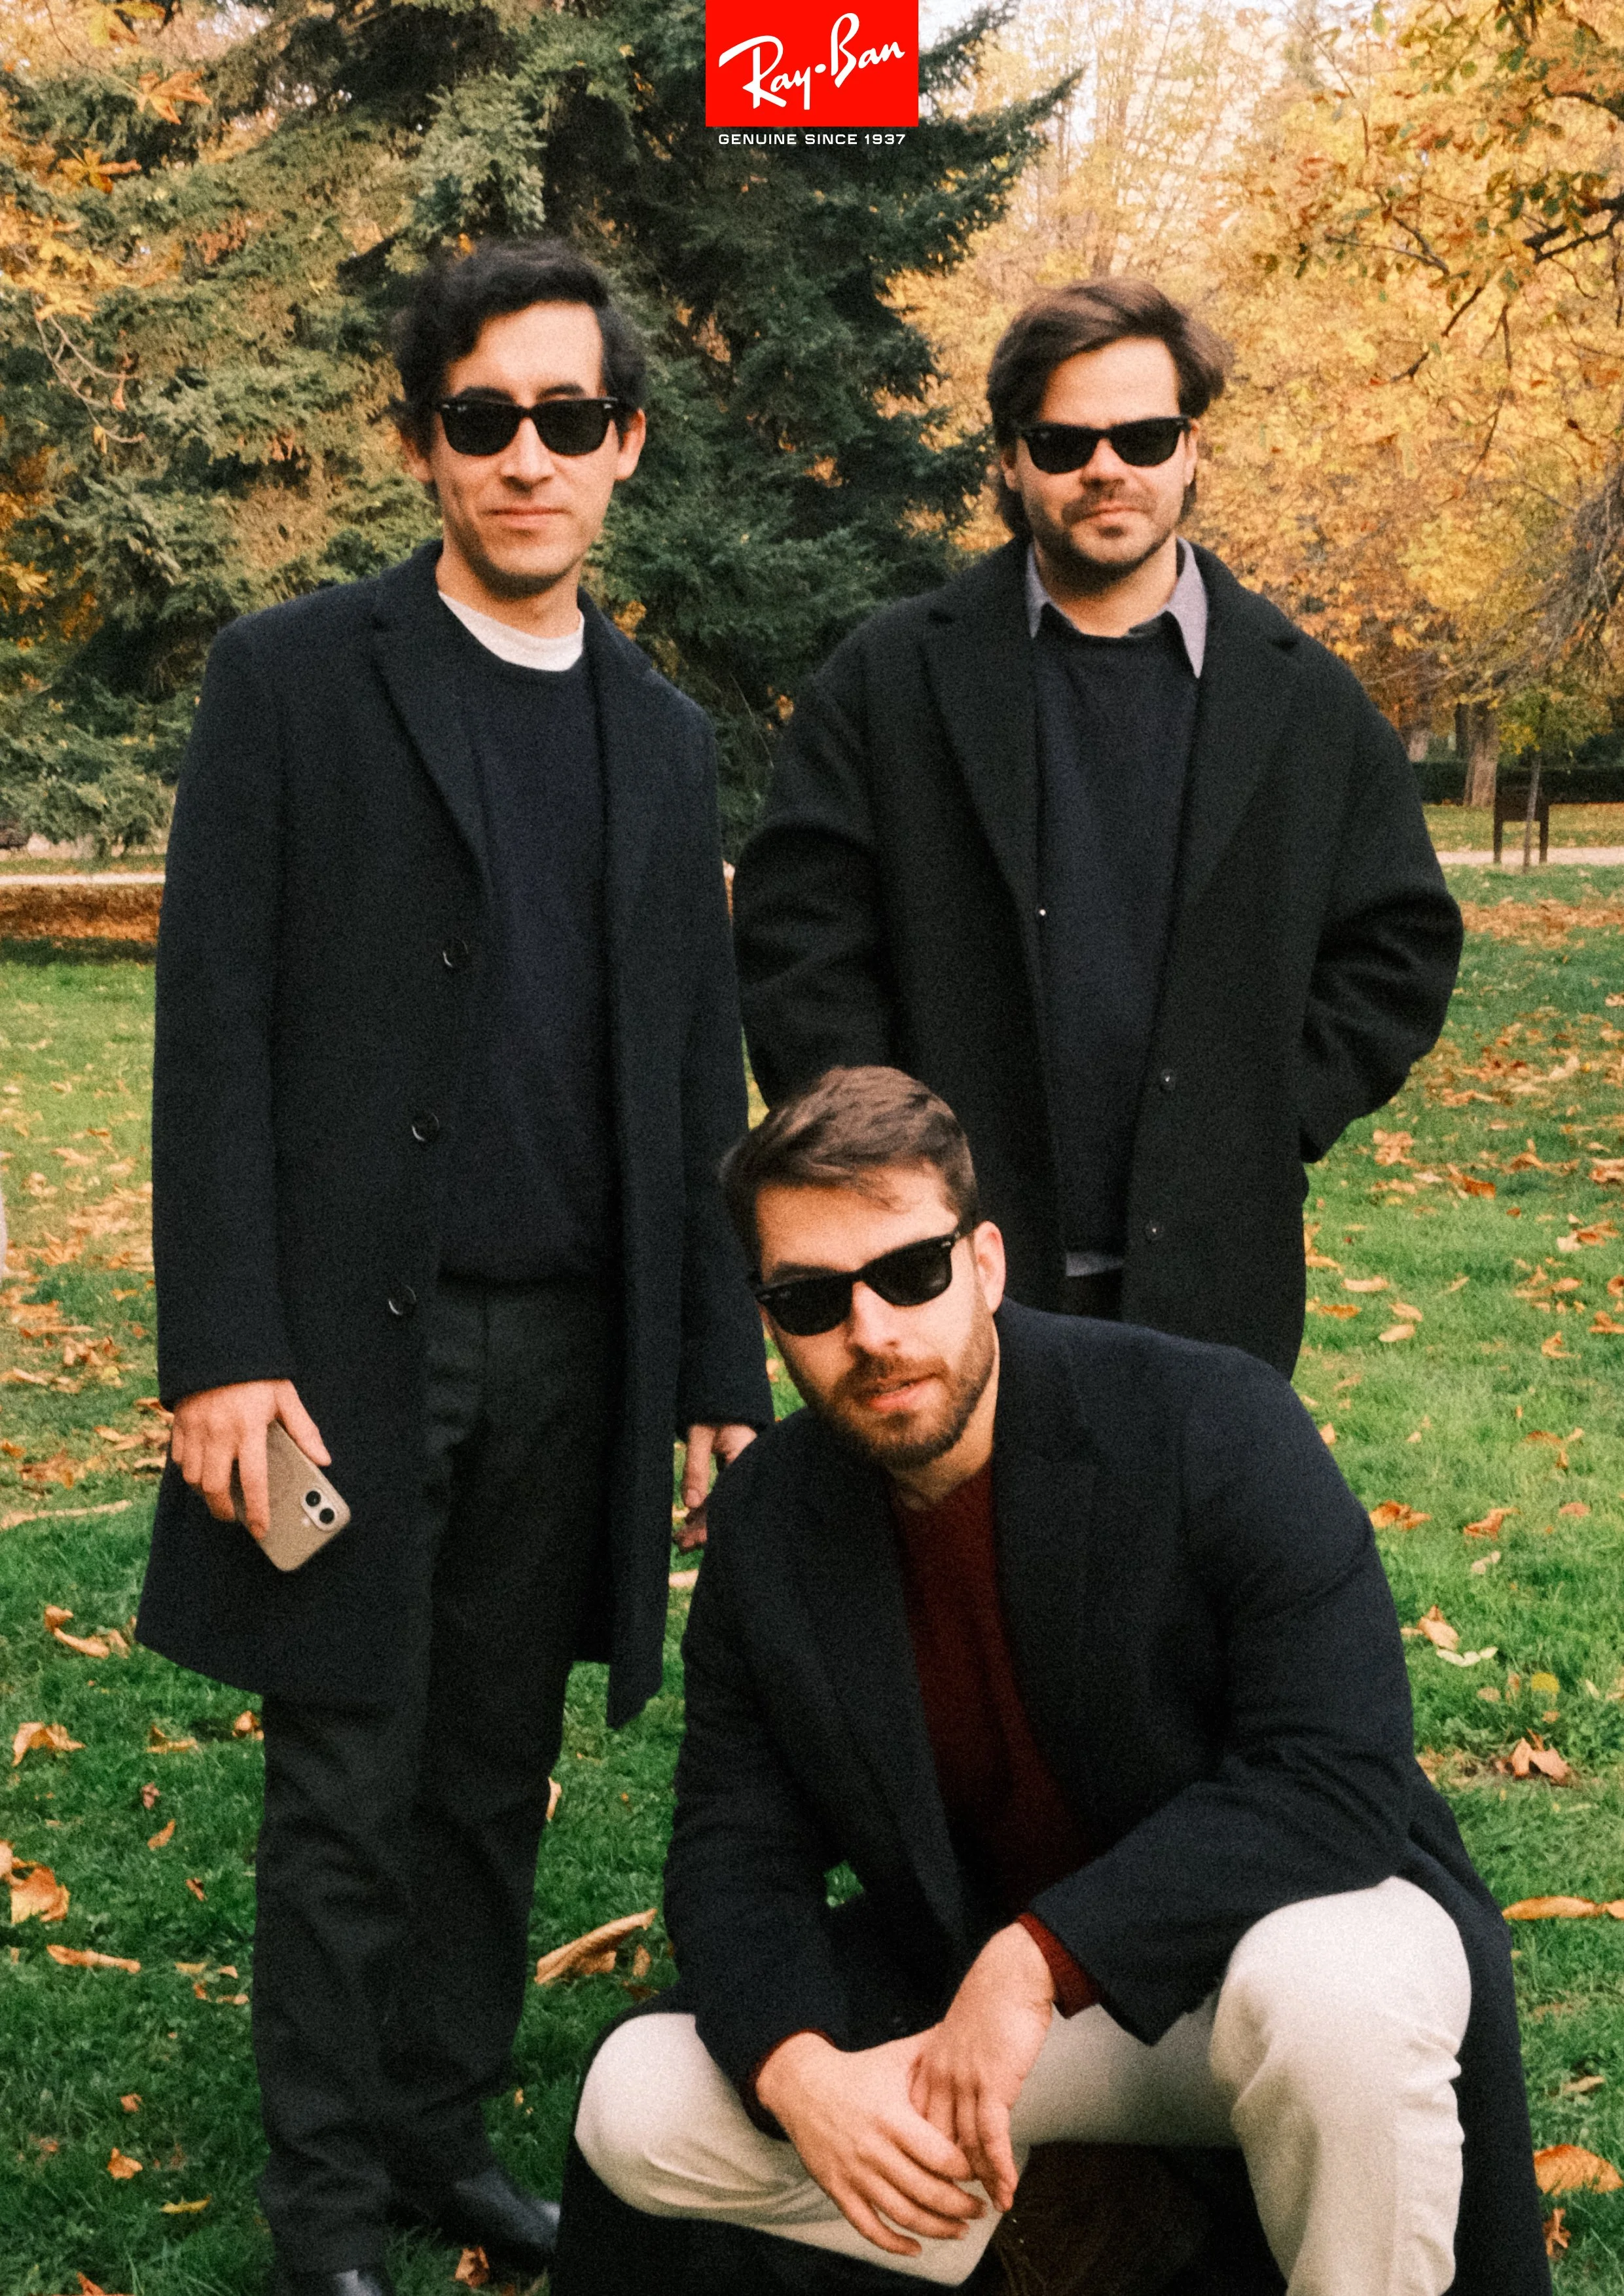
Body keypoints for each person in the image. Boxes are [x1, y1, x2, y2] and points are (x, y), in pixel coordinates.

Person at [137, 238, 770, 2296]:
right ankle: (325, 2205)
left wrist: (711, 1376)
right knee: (349, 1774)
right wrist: (226, 1348)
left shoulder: (663, 745)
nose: (527, 456)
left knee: (498, 1769)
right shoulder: (295, 680)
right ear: (426, 443)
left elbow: (695, 1075)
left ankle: (435, 2134)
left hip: (582, 1345)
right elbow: (213, 1027)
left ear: (626, 447)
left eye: (567, 420)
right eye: (483, 418)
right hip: (348, 1351)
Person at [552, 1067, 1547, 2296]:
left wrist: (1040, 1958)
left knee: (1334, 1996)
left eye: (909, 1273)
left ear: (986, 1264)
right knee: (639, 2101)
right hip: (992, 2015)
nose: (871, 1332)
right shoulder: (772, 1519)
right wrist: (797, 2071)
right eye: (813, 1299)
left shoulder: (1208, 1422)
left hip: (1250, 1963)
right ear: (772, 1318)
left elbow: (1334, 1779)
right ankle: (1045, 2246)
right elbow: (732, 1849)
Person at [731, 278, 1463, 1374]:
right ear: (1012, 459)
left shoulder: (1306, 703)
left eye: (1144, 435)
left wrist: (1267, 1118)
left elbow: (1400, 944)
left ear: (1192, 449)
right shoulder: (888, 686)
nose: (1107, 467)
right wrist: (889, 1177)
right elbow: (799, 950)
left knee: (1186, 1545)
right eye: (1066, 441)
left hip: (1217, 1280)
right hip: (947, 1282)